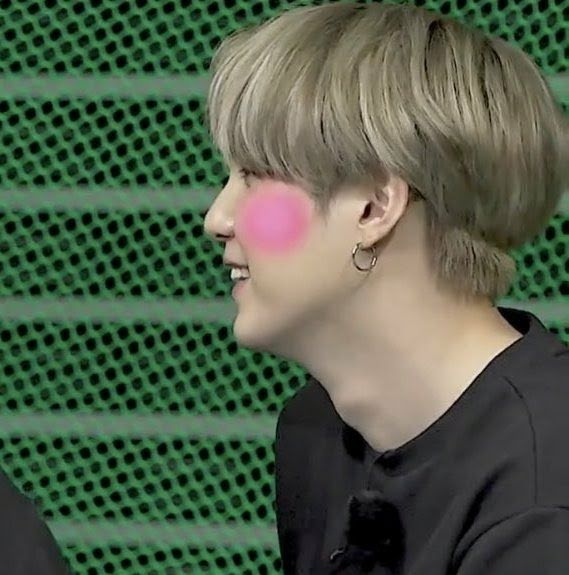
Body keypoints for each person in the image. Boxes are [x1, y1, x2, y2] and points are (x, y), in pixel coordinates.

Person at [203, 2, 569, 574]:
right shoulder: (317, 433)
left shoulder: (544, 490)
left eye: (255, 176)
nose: (218, 218)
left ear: (375, 206)